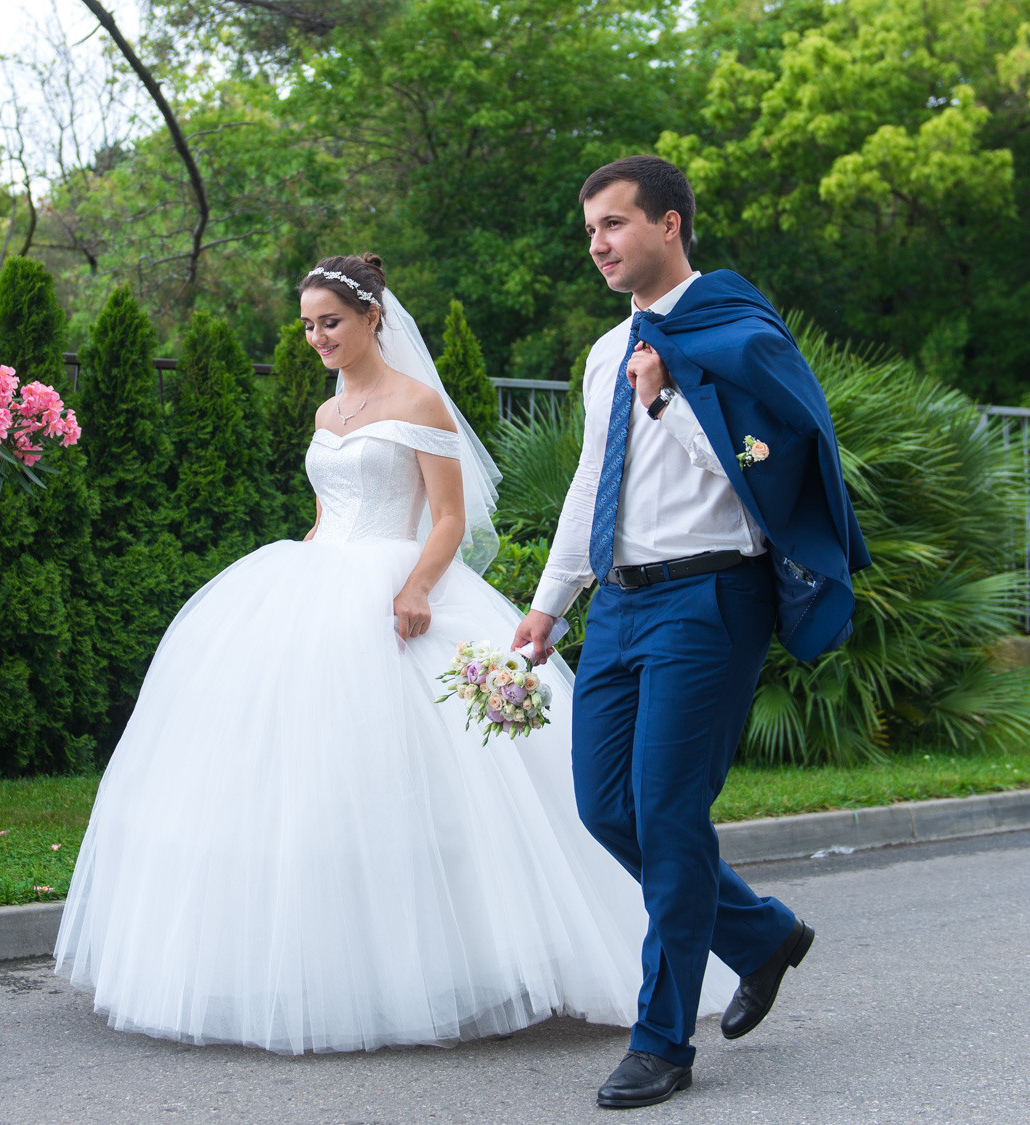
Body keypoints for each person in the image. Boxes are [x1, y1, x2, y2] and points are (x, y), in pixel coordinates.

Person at [53, 253, 734, 1054]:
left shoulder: (419, 402)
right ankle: (313, 962)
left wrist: (416, 588)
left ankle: (471, 963)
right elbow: (323, 514)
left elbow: (447, 517)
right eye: (307, 326)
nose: (317, 338)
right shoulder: (326, 410)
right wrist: (294, 581)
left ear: (373, 316)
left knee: (432, 783)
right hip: (315, 582)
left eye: (330, 322)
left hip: (398, 586)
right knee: (298, 785)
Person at [513, 156, 871, 1108]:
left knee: (668, 814)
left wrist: (668, 395)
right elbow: (592, 484)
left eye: (616, 224)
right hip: (622, 601)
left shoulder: (738, 333)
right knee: (605, 808)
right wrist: (551, 604)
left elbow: (764, 472)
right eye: (589, 227)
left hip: (713, 597)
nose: (598, 242)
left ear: (669, 225)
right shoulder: (604, 353)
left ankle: (663, 1038)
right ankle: (759, 935)